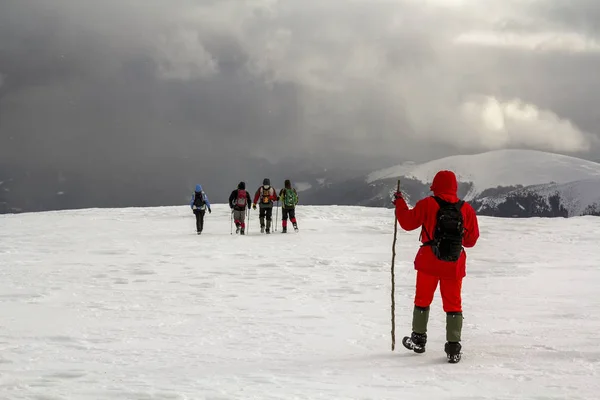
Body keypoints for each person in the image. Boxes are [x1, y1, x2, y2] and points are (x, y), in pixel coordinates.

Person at [392, 170, 479, 363]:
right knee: (453, 304)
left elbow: (407, 222)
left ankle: (418, 340)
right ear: (454, 186)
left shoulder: (428, 204)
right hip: (454, 264)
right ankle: (453, 348)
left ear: (436, 186)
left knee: (422, 300)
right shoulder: (466, 209)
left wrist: (399, 202)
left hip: (429, 262)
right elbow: (471, 241)